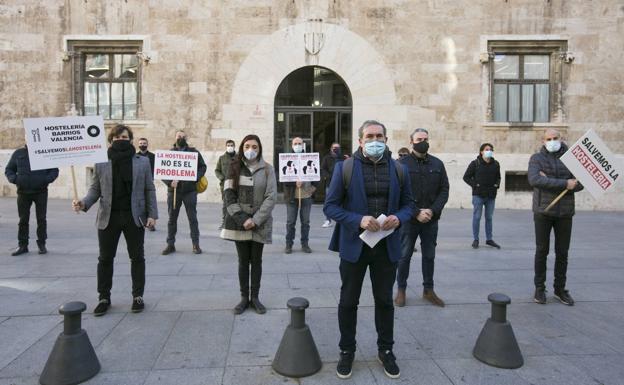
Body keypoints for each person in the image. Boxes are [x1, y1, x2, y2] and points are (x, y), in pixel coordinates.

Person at [324, 120, 414, 380]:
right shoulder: (345, 168)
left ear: (386, 139)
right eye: (369, 136)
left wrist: (399, 217)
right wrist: (358, 220)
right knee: (348, 300)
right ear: (361, 141)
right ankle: (346, 350)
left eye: (379, 136)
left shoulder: (399, 169)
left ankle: (386, 350)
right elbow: (330, 206)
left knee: (385, 301)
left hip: (386, 247)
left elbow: (409, 205)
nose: (375, 140)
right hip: (354, 246)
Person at [72, 124, 157, 316]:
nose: (121, 140)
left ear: (131, 140)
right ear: (111, 140)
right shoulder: (101, 162)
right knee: (105, 259)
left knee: (137, 257)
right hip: (108, 217)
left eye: (125, 137)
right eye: (117, 137)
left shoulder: (141, 162)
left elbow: (149, 189)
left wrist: (152, 215)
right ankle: (104, 297)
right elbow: (95, 189)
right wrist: (83, 203)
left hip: (133, 216)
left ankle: (138, 296)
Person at [221, 134, 277, 315]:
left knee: (257, 261)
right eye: (247, 146)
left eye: (254, 146)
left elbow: (271, 197)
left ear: (259, 148)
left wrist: (256, 219)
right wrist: (243, 219)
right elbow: (228, 195)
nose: (250, 150)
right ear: (242, 148)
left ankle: (255, 298)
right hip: (240, 223)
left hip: (260, 224)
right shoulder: (233, 167)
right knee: (243, 261)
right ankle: (244, 297)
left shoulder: (268, 169)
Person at [394, 128, 449, 308]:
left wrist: (432, 211)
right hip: (409, 220)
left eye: (425, 138)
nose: (422, 141)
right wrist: (416, 211)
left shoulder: (438, 164)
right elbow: (398, 192)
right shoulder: (401, 164)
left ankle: (428, 290)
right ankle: (401, 289)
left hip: (430, 220)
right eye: (419, 139)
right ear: (411, 141)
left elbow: (444, 190)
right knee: (404, 256)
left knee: (429, 255)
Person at [528, 128, 583, 306]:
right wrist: (565, 183)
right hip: (543, 211)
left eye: (555, 138)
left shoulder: (572, 159)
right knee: (541, 250)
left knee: (562, 252)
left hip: (565, 212)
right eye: (548, 139)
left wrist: (552, 180)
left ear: (561, 138)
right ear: (543, 141)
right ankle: (539, 288)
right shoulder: (537, 159)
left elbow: (580, 183)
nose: (552, 141)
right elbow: (535, 180)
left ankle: (560, 289)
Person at [5, 145, 59, 255]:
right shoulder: (18, 153)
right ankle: (23, 245)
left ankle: (42, 244)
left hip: (41, 192)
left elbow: (54, 170)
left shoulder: (45, 151)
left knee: (41, 219)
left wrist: (45, 180)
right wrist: (15, 180)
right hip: (23, 192)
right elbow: (9, 169)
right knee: (23, 220)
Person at [161, 130, 207, 255]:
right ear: (175, 138)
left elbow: (203, 167)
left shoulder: (193, 153)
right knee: (172, 218)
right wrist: (170, 182)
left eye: (182, 136)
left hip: (189, 191)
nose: (180, 137)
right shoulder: (169, 154)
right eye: (178, 136)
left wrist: (194, 177)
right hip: (174, 191)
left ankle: (195, 244)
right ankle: (170, 244)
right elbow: (162, 171)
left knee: (192, 218)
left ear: (185, 138)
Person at [463, 143, 501, 249]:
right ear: (481, 151)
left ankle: (489, 239)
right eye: (487, 149)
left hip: (491, 195)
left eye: (491, 149)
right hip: (478, 195)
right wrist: (475, 185)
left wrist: (496, 185)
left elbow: (498, 177)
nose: (489, 151)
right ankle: (476, 239)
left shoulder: (496, 164)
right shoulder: (475, 163)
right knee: (477, 217)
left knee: (489, 217)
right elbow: (466, 177)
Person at [283, 137, 315, 254]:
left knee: (305, 222)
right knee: (290, 222)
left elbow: (316, 174)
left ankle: (305, 244)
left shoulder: (309, 158)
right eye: (295, 143)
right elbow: (283, 178)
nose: (297, 145)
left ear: (303, 145)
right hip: (292, 197)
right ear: (292, 146)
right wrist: (294, 182)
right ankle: (289, 244)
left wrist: (313, 187)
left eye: (299, 143)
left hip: (306, 196)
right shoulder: (286, 159)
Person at [320, 142, 343, 228]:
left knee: (342, 202)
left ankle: (340, 220)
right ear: (331, 149)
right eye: (334, 148)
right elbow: (323, 169)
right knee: (328, 202)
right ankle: (328, 220)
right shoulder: (327, 158)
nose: (336, 149)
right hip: (330, 183)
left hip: (341, 184)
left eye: (338, 148)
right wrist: (328, 177)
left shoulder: (343, 158)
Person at [215, 140, 237, 229]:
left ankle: (236, 223)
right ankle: (224, 223)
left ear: (234, 146)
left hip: (236, 185)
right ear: (226, 146)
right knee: (225, 205)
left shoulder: (238, 157)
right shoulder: (222, 158)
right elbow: (217, 170)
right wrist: (221, 178)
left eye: (231, 145)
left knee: (236, 204)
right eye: (228, 145)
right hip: (224, 185)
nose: (230, 147)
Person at [136, 137, 156, 231]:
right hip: (139, 184)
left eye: (144, 143)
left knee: (150, 203)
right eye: (141, 143)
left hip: (149, 182)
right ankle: (142, 222)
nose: (142, 145)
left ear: (147, 144)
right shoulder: (135, 156)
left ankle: (151, 224)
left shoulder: (153, 156)